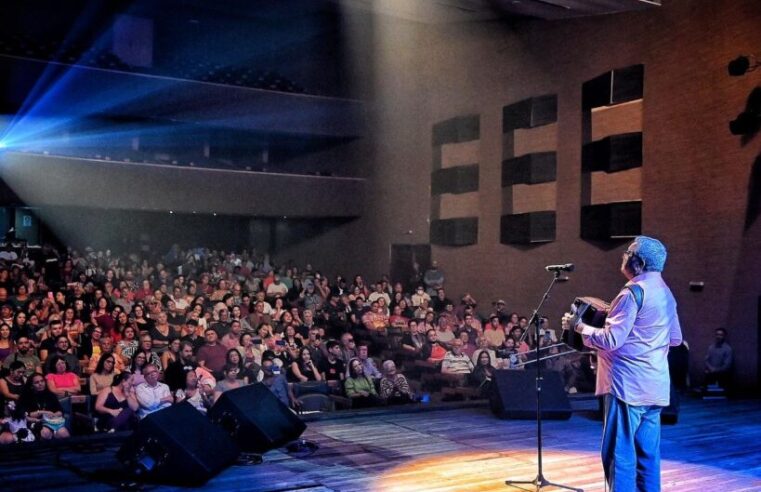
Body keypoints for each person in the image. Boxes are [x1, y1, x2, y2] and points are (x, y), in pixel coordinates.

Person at [568, 236, 682, 492]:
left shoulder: (632, 292)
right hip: (656, 388)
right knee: (648, 458)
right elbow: (675, 338)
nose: (623, 256)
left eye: (628, 253)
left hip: (628, 387)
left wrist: (579, 326)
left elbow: (610, 339)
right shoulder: (666, 293)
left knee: (619, 456)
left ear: (639, 262)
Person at [19, 373, 69, 440]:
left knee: (63, 433)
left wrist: (54, 414)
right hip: (36, 422)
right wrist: (43, 412)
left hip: (52, 421)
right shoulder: (26, 397)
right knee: (45, 432)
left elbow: (60, 411)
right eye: (37, 382)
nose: (40, 384)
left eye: (42, 381)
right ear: (31, 385)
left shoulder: (50, 395)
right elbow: (27, 414)